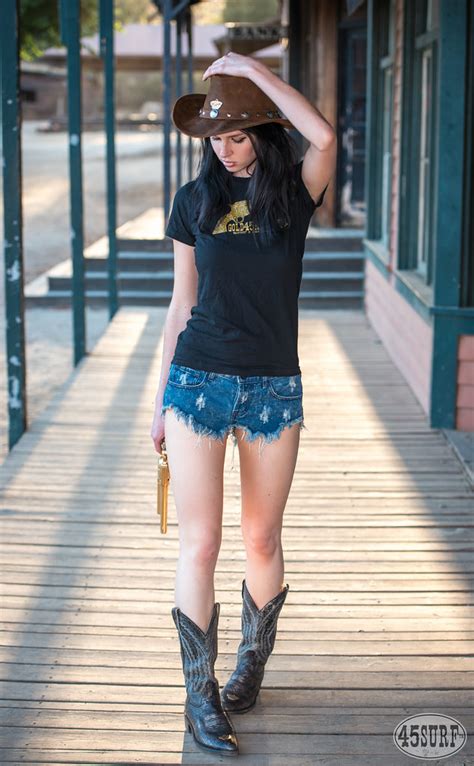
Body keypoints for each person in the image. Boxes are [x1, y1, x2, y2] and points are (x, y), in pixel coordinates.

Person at [150, 51, 337, 757]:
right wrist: (160, 399)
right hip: (198, 381)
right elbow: (180, 306)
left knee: (262, 538)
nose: (225, 150)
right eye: (215, 138)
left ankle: (249, 665)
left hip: (271, 388)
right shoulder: (193, 201)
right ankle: (200, 700)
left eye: (237, 135)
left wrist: (257, 73)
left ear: (262, 131)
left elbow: (323, 137)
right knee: (201, 540)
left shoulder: (293, 193)